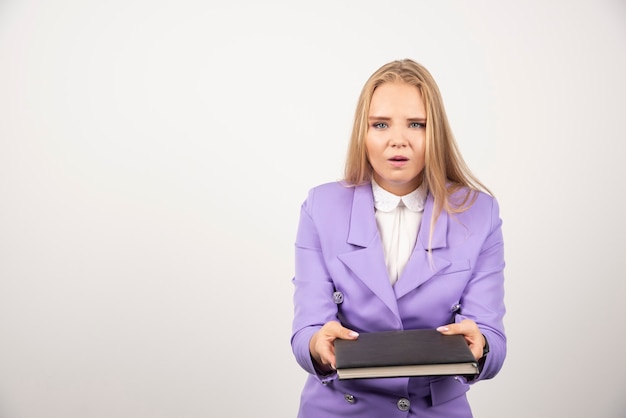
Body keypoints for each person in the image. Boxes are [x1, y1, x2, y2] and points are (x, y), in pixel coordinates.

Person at [290, 58, 506, 417]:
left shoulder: (480, 213)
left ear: (435, 131)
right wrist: (317, 344)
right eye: (380, 124)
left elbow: (492, 337)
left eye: (416, 124)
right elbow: (306, 329)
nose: (397, 141)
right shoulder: (320, 207)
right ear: (363, 131)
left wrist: (480, 346)